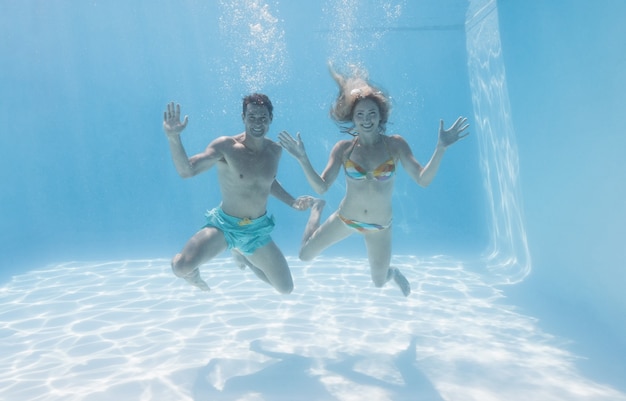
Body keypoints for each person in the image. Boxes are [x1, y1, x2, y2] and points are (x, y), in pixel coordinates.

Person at [278, 66, 469, 296]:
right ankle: (316, 209)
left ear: (380, 116)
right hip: (346, 219)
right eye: (360, 115)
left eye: (371, 114)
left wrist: (440, 148)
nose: (366, 120)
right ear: (353, 118)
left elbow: (422, 179)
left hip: (379, 227)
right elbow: (322, 186)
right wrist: (302, 158)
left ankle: (393, 273)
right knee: (304, 255)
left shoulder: (395, 145)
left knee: (379, 281)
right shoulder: (344, 149)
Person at [163, 94, 314, 294]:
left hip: (256, 232)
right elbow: (187, 170)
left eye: (263, 118)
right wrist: (174, 137)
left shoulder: (275, 151)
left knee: (285, 288)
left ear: (270, 119)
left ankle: (243, 256)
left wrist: (292, 202)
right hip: (225, 227)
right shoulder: (227, 147)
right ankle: (196, 272)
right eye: (252, 117)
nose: (257, 123)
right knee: (182, 267)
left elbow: (267, 181)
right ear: (243, 118)